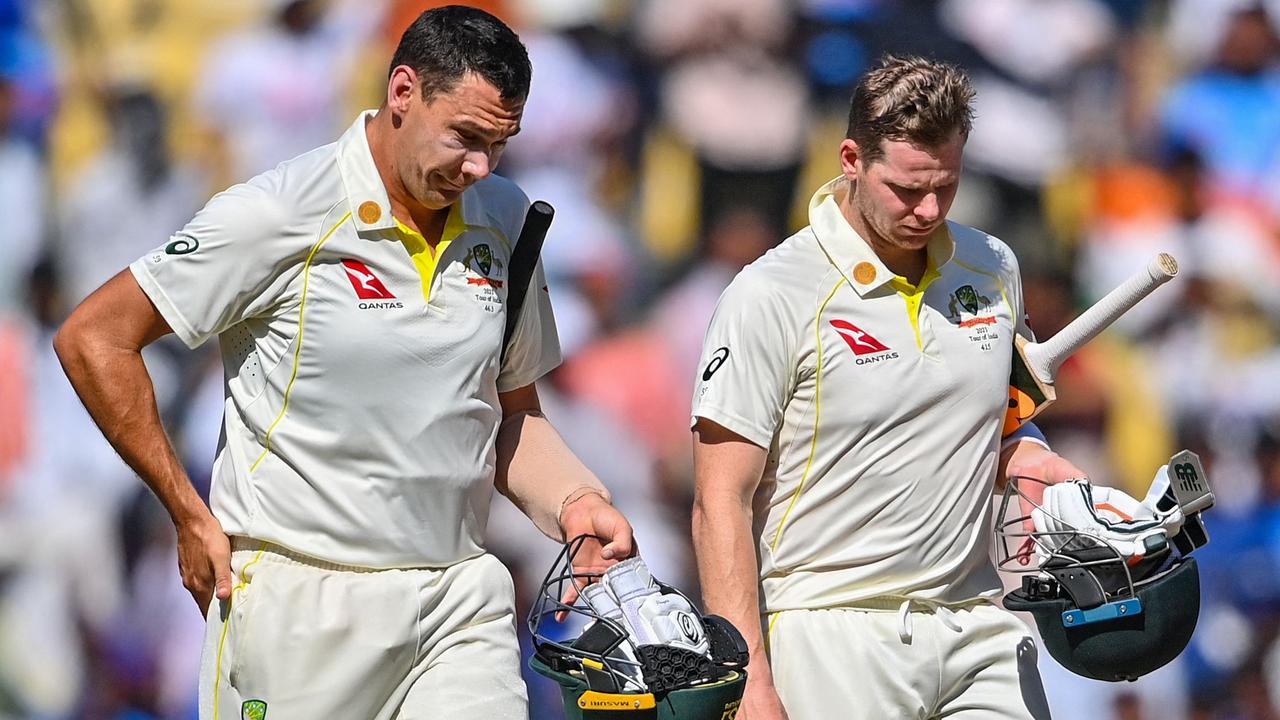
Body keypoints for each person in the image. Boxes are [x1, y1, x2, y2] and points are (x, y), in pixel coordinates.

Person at [54, 7, 634, 719]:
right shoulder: (279, 210)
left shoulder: (507, 218)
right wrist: (185, 510)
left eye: (500, 144)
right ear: (402, 92)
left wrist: (578, 503)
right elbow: (94, 337)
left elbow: (509, 415)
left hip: (458, 602)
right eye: (465, 137)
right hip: (300, 608)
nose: (481, 166)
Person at [689, 55, 1087, 720]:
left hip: (980, 620)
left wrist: (1037, 461)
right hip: (829, 631)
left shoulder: (992, 266)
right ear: (850, 158)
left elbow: (1001, 428)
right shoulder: (771, 292)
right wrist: (748, 679)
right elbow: (718, 500)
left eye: (947, 187)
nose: (929, 211)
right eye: (906, 189)